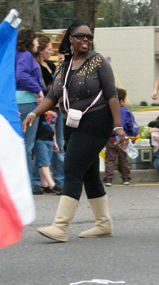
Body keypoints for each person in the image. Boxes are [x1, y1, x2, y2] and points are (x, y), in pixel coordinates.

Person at [23, 20, 126, 242]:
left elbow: (112, 95)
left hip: (97, 122)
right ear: (70, 39)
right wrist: (34, 113)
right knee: (88, 174)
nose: (86, 40)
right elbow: (53, 96)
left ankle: (60, 227)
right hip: (73, 124)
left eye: (89, 36)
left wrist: (118, 126)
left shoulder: (98, 62)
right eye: (81, 36)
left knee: (71, 169)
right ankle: (103, 224)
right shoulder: (65, 65)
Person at [15, 27, 45, 196]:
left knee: (22, 143)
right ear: (29, 40)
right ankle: (27, 182)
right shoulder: (26, 55)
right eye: (35, 39)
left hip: (17, 100)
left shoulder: (16, 55)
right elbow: (22, 75)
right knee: (27, 145)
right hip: (27, 102)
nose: (37, 42)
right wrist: (38, 90)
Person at [33, 33, 64, 191]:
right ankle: (39, 181)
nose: (51, 52)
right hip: (42, 109)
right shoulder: (34, 67)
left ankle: (59, 179)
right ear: (40, 50)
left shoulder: (51, 66)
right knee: (40, 143)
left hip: (55, 108)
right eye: (49, 49)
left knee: (58, 144)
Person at [104, 88, 139, 187]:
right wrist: (133, 135)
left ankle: (108, 178)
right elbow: (131, 125)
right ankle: (126, 177)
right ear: (121, 101)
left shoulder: (108, 110)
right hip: (123, 139)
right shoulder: (126, 112)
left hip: (110, 139)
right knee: (123, 158)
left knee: (110, 159)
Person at [34, 110, 62, 194]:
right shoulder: (42, 109)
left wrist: (55, 141)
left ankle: (44, 184)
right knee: (44, 162)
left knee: (46, 162)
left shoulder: (55, 111)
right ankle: (52, 184)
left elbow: (53, 127)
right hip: (40, 139)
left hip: (50, 140)